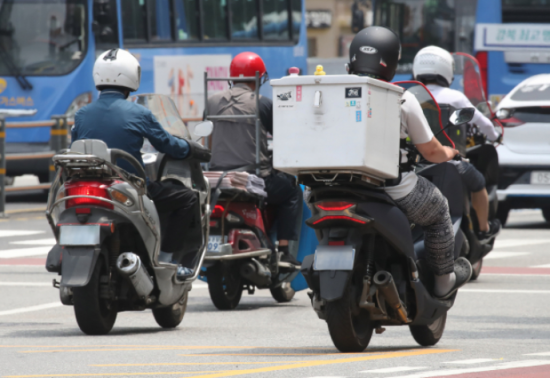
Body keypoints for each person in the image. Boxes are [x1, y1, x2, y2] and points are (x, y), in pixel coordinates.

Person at [348, 26, 472, 299]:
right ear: (391, 64)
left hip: (326, 189)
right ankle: (442, 282)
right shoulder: (402, 98)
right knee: (440, 211)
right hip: (392, 190)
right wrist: (451, 153)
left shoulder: (333, 91)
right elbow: (431, 152)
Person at [72, 48, 198, 279]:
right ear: (131, 75)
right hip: (130, 188)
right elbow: (167, 145)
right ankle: (167, 259)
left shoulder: (81, 114)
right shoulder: (139, 113)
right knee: (188, 198)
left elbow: (75, 147)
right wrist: (191, 148)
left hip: (90, 186)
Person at [206, 52, 302, 266]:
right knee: (291, 190)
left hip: (218, 178)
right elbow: (286, 137)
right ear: (258, 77)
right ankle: (285, 249)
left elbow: (210, 140)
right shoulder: (262, 103)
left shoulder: (211, 101)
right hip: (253, 179)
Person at [413, 45, 501, 242]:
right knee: (478, 182)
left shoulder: (410, 95)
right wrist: (495, 137)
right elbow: (483, 123)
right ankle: (484, 227)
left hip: (413, 163)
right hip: (450, 162)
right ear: (446, 69)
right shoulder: (455, 97)